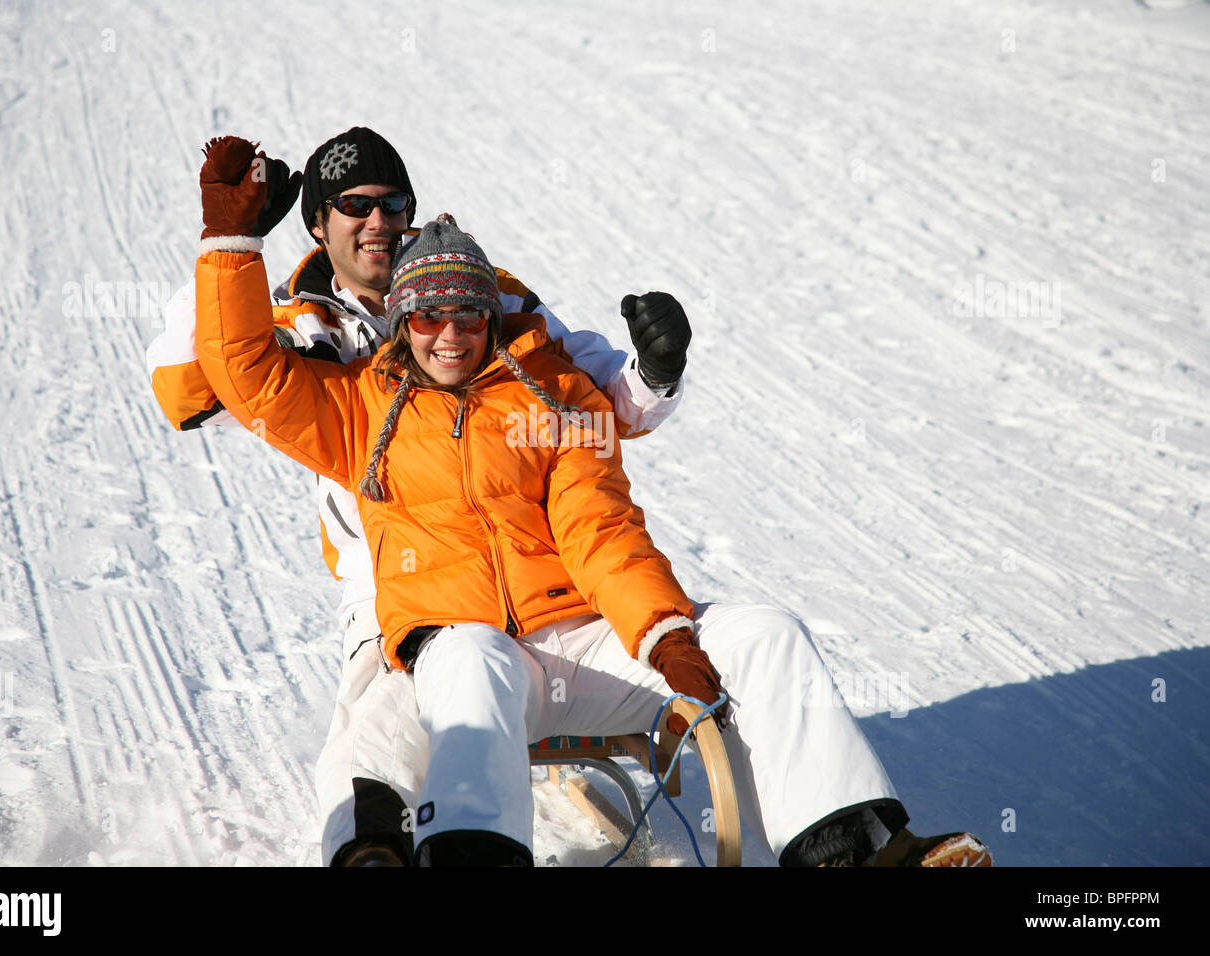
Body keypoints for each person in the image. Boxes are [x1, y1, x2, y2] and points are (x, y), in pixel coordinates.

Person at [188, 136, 992, 867]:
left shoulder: (553, 394)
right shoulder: (358, 402)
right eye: (429, 314)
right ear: (400, 315)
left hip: (578, 636)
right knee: (406, 716)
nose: (451, 333)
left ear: (491, 315)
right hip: (440, 633)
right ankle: (439, 852)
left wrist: (667, 634)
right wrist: (231, 241)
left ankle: (860, 850)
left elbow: (600, 526)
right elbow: (241, 370)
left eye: (469, 312)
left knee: (764, 635)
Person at [146, 128, 689, 865]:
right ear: (316, 221)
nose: (378, 222)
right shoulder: (294, 315)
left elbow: (582, 396)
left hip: (517, 555)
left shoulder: (477, 289)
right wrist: (235, 240)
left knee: (471, 678)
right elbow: (186, 388)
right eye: (354, 206)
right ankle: (375, 845)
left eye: (392, 203)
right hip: (385, 574)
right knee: (374, 733)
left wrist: (652, 375)